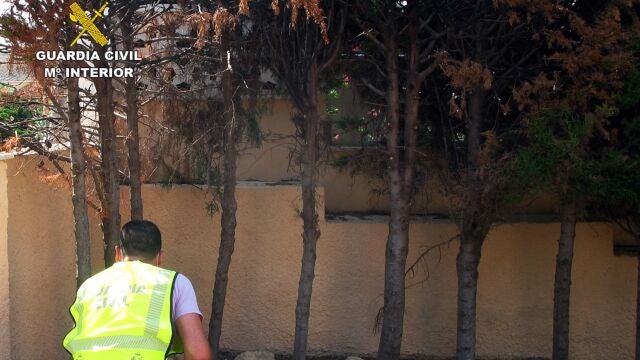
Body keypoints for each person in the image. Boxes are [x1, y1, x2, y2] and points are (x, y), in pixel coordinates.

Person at [63, 220, 212, 360]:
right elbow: (198, 354)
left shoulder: (89, 285)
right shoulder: (175, 282)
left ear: (117, 254)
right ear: (160, 257)